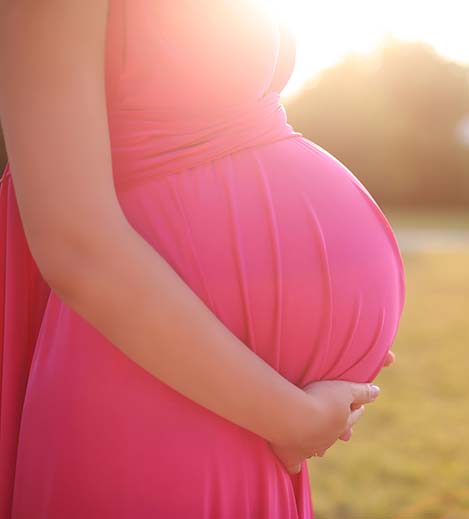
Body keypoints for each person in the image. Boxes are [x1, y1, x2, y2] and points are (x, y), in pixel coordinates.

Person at [0, 1, 406, 517]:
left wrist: (329, 343)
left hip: (243, 394)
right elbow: (73, 241)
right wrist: (295, 418)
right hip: (146, 379)